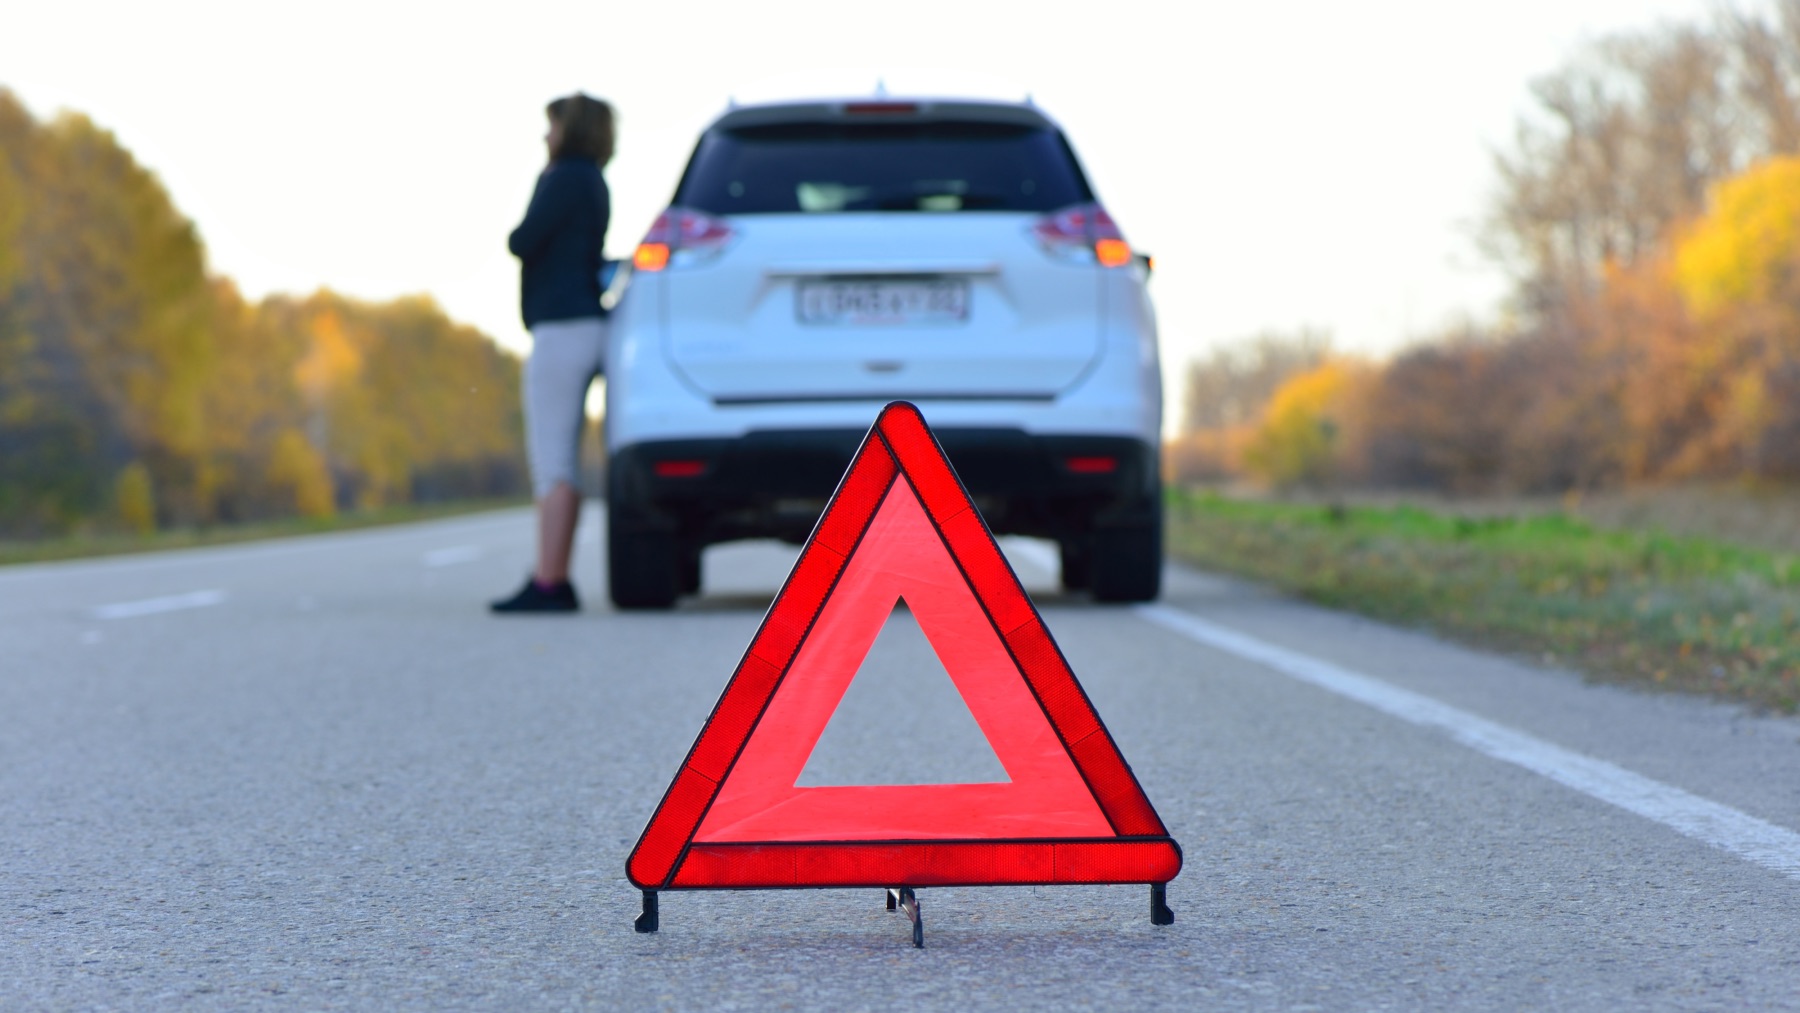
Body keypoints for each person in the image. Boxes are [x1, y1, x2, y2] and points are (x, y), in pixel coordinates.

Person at [490, 93, 614, 613]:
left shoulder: (563, 178)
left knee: (553, 462)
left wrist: (541, 187)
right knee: (565, 459)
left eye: (553, 126)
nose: (546, 135)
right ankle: (553, 576)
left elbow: (522, 241)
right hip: (588, 322)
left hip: (561, 329)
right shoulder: (596, 181)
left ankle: (550, 581)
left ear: (571, 130)